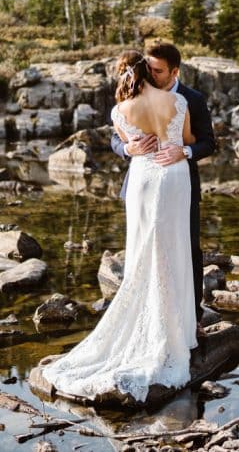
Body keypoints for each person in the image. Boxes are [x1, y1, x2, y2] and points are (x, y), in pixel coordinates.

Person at [42, 50, 199, 404]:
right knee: (174, 247)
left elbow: (128, 137)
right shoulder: (177, 100)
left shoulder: (118, 111)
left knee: (143, 248)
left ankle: (156, 325)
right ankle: (178, 332)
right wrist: (169, 146)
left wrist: (135, 144)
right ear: (149, 71)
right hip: (173, 176)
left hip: (143, 179)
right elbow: (187, 139)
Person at [111, 41, 216, 325]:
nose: (150, 74)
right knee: (142, 249)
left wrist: (184, 151)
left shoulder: (191, 99)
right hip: (141, 182)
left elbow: (208, 142)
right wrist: (128, 149)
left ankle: (191, 318)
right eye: (147, 67)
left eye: (157, 70)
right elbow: (115, 140)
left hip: (181, 185)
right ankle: (145, 317)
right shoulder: (130, 97)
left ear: (174, 72)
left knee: (188, 250)